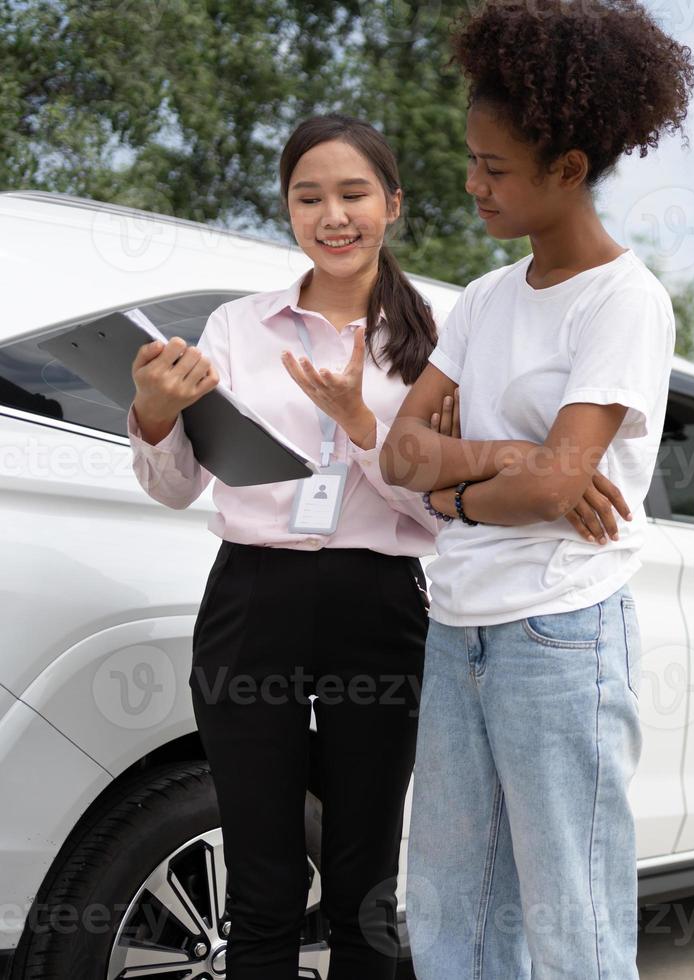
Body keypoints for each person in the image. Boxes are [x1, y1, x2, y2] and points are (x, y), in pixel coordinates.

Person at [379, 2, 694, 976]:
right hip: (459, 613)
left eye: (495, 167)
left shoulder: (624, 301)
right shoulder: (482, 300)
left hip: (561, 625)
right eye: (472, 160)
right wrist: (514, 466)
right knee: (450, 907)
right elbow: (397, 453)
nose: (474, 183)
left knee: (570, 916)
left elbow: (559, 476)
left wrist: (459, 482)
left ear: (566, 170)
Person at [128, 114, 446, 978]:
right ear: (288, 210)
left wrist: (361, 425)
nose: (332, 215)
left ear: (393, 204)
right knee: (262, 882)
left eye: (353, 194)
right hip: (251, 599)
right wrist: (156, 416)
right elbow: (175, 488)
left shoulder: (435, 347)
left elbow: (445, 509)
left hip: (378, 604)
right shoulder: (238, 327)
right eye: (310, 197)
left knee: (363, 884)